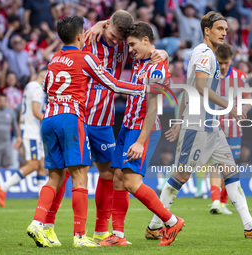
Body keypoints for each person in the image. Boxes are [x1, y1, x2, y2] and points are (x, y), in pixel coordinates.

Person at [147, 11, 252, 240]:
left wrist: (179, 119)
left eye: (226, 30)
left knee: (231, 171)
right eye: (219, 29)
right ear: (207, 30)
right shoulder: (205, 54)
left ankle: (250, 227)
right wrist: (230, 106)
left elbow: (189, 90)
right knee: (180, 177)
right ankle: (154, 226)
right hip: (197, 126)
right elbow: (199, 87)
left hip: (211, 126)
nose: (224, 33)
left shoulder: (207, 54)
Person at [42, 10, 169, 246]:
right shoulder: (88, 38)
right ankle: (48, 225)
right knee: (65, 173)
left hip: (103, 121)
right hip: (78, 116)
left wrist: (163, 53)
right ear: (106, 25)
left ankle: (102, 231)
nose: (114, 41)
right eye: (111, 34)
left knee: (109, 174)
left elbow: (144, 48)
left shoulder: (123, 47)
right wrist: (100, 24)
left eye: (118, 38)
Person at [98, 22, 184, 247]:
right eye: (129, 45)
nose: (131, 49)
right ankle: (118, 235)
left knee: (131, 182)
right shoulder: (142, 59)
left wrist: (140, 141)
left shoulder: (157, 69)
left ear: (146, 41)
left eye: (133, 44)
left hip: (142, 129)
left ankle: (171, 221)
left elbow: (154, 108)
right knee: (117, 177)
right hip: (127, 126)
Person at [209, 43, 252, 215]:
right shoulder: (210, 75)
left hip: (234, 127)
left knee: (231, 166)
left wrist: (244, 110)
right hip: (213, 125)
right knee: (215, 164)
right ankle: (215, 201)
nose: (223, 66)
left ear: (231, 60)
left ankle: (223, 203)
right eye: (220, 63)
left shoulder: (239, 76)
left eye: (226, 62)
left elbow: (249, 99)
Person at [0, 69, 48, 208]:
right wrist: (50, 121)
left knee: (42, 164)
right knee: (33, 165)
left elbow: (23, 112)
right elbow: (36, 112)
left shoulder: (29, 86)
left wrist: (19, 134)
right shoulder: (38, 89)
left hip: (29, 130)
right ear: (45, 76)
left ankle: (44, 200)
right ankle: (3, 187)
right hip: (32, 132)